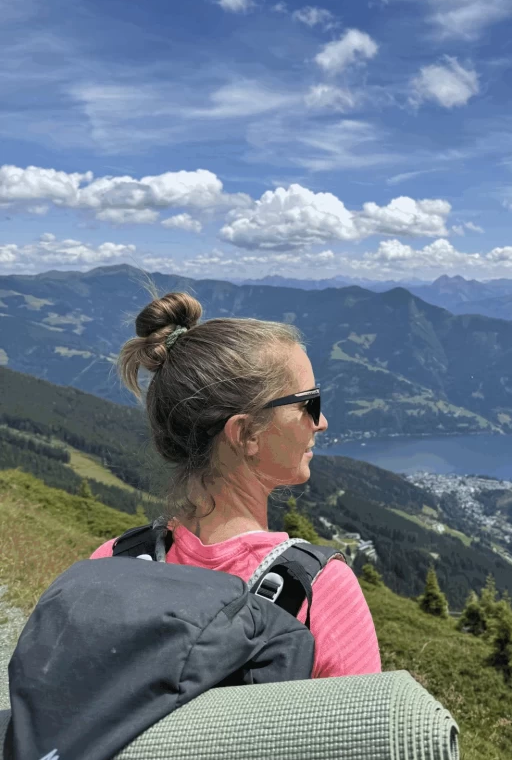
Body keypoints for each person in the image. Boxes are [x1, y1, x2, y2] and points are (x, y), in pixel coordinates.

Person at [90, 290, 381, 679]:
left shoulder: (110, 561)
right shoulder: (318, 590)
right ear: (246, 434)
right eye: (308, 404)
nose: (321, 421)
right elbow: (359, 735)